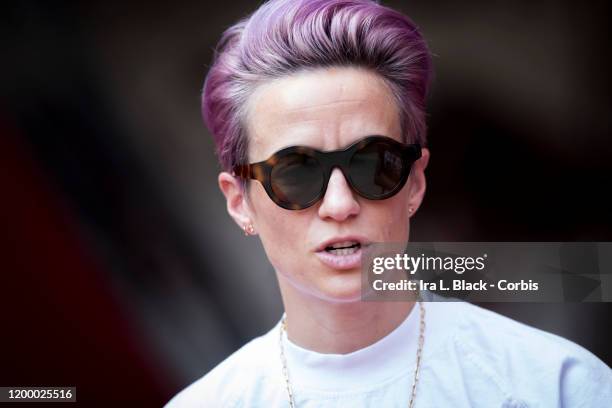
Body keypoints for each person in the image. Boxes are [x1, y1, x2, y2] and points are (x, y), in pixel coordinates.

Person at [166, 0, 612, 406]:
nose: (339, 205)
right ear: (240, 202)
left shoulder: (558, 386)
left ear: (415, 182)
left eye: (372, 164)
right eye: (296, 172)